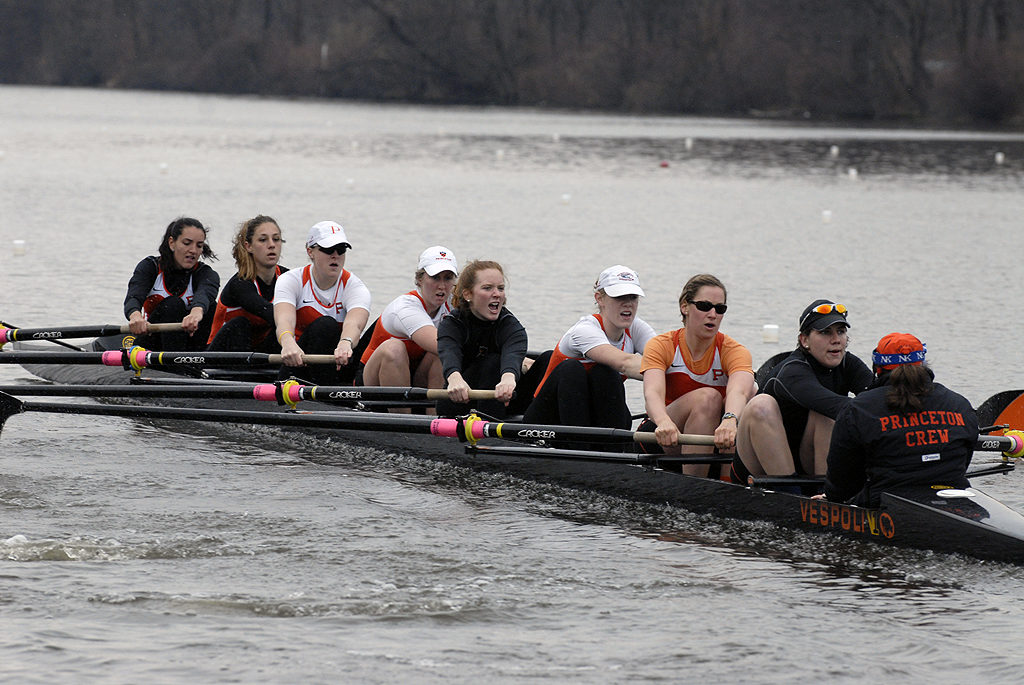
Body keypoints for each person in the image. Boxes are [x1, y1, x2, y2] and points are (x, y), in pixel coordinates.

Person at [822, 332, 977, 506]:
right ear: (924, 365)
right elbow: (964, 461)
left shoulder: (858, 409)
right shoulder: (960, 405)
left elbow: (842, 482)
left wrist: (831, 499)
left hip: (883, 502)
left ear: (878, 368)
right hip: (955, 496)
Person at [735, 300, 873, 483]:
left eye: (841, 331)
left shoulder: (848, 363)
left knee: (833, 415)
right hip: (759, 466)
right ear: (804, 340)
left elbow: (878, 398)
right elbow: (841, 407)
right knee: (762, 405)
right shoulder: (792, 371)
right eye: (825, 332)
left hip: (805, 459)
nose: (836, 339)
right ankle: (792, 494)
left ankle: (828, 494)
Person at [640, 273, 755, 476]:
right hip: (662, 435)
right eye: (704, 306)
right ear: (685, 307)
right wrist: (664, 422)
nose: (713, 314)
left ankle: (728, 481)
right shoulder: (662, 345)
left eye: (720, 309)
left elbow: (741, 391)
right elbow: (652, 394)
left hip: (711, 439)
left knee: (753, 394)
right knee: (708, 397)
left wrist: (730, 419)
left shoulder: (734, 350)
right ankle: (696, 484)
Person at [524, 265, 655, 433]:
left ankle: (610, 448)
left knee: (604, 373)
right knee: (575, 369)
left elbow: (665, 359)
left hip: (592, 417)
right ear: (599, 298)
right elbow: (625, 363)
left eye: (633, 297)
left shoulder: (636, 327)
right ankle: (582, 447)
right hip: (547, 420)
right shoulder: (584, 330)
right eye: (619, 297)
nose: (628, 304)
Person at [273, 220, 371, 386]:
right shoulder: (290, 280)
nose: (335, 255)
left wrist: (346, 342)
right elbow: (284, 320)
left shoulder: (355, 286)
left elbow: (355, 324)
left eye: (341, 250)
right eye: (327, 249)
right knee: (326, 325)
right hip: (298, 364)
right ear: (310, 251)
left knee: (384, 328)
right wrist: (288, 343)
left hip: (340, 362)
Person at [358, 246, 459, 404]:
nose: (442, 286)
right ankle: (400, 417)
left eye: (448, 278)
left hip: (416, 376)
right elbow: (441, 344)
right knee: (395, 348)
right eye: (435, 278)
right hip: (373, 381)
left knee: (441, 354)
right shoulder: (406, 307)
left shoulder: (454, 303)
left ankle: (435, 417)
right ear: (420, 279)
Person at [436, 260, 527, 420]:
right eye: (487, 288)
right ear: (468, 294)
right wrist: (455, 379)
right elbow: (449, 353)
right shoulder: (452, 324)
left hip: (503, 399)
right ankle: (488, 435)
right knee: (492, 361)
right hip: (459, 402)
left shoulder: (512, 327)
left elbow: (513, 355)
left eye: (500, 288)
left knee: (548, 358)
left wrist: (508, 379)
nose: (497, 294)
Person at [124, 216, 220, 351]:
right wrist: (135, 316)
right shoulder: (150, 267)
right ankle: (174, 366)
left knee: (211, 308)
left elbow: (205, 294)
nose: (193, 250)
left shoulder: (206, 274)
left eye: (199, 246)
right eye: (187, 243)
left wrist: (196, 313)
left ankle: (201, 361)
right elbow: (133, 297)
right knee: (173, 304)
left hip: (193, 344)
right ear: (172, 243)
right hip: (154, 342)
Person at [207, 215, 288, 352]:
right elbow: (268, 312)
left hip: (259, 353)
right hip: (221, 355)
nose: (272, 245)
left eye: (276, 239)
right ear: (248, 246)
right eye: (263, 240)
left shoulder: (288, 278)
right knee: (241, 324)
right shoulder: (240, 283)